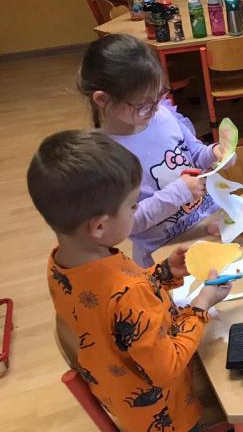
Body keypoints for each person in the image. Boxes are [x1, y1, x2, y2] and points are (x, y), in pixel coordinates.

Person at [27, 130, 231, 432]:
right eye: (133, 206)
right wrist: (201, 305)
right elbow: (167, 367)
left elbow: (111, 308)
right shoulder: (126, 290)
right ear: (100, 226)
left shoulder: (62, 262)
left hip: (119, 391)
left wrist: (163, 273)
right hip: (164, 415)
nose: (137, 211)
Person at [77, 34, 225, 266]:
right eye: (144, 105)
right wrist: (178, 193)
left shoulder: (163, 115)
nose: (155, 109)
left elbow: (195, 155)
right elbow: (126, 224)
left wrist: (216, 153)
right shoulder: (104, 156)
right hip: (165, 256)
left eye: (159, 96)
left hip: (208, 227)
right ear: (103, 99)